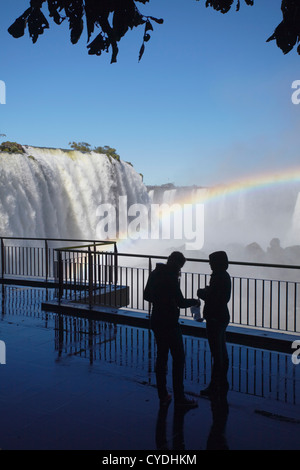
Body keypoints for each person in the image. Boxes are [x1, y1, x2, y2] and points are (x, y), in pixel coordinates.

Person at [144, 251, 199, 408]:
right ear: (177, 263)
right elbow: (181, 302)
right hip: (169, 322)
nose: (180, 269)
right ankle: (179, 396)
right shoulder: (171, 277)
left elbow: (146, 295)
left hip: (156, 319)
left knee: (161, 357)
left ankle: (163, 395)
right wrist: (194, 301)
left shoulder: (156, 273)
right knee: (178, 358)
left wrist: (160, 300)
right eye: (180, 266)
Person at [197, 251, 231, 397]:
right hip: (222, 316)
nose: (209, 264)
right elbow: (221, 297)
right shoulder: (224, 276)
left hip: (215, 318)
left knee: (217, 354)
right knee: (221, 351)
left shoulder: (218, 277)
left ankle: (214, 385)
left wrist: (201, 293)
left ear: (216, 263)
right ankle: (222, 383)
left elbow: (214, 297)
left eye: (211, 261)